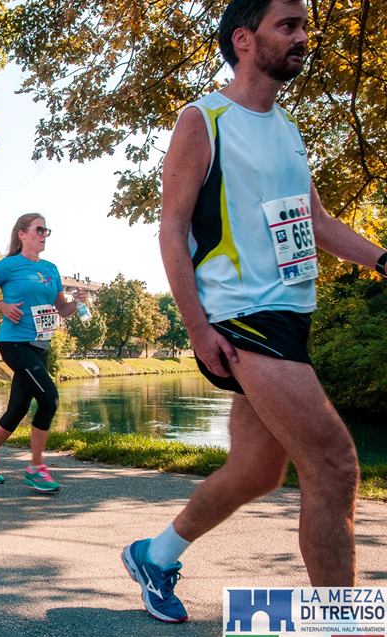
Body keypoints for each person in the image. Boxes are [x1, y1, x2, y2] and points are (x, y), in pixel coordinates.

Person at [122, 0, 383, 623]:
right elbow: (172, 227)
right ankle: (344, 627)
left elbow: (316, 222)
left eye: (304, 26)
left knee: (258, 471)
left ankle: (154, 555)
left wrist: (382, 259)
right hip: (242, 316)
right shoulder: (202, 119)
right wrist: (196, 326)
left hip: (291, 312)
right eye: (288, 25)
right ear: (244, 39)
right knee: (335, 464)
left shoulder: (287, 126)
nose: (303, 36)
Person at [0, 214, 87, 492]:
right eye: (39, 229)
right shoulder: (9, 265)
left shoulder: (51, 269)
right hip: (14, 344)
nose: (45, 234)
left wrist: (76, 301)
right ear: (22, 234)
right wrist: (1, 306)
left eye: (47, 230)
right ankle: (36, 468)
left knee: (18, 408)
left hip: (40, 346)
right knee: (49, 399)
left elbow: (62, 310)